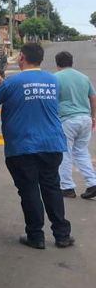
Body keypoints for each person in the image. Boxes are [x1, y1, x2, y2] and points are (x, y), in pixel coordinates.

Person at [0, 42, 73, 249]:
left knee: (29, 191)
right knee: (52, 188)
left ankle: (36, 236)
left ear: (22, 58)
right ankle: (62, 235)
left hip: (23, 147)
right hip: (52, 144)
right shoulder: (53, 81)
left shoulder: (13, 82)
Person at [53, 50, 96, 199]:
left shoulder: (55, 78)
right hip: (85, 119)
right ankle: (92, 183)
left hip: (67, 120)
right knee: (81, 152)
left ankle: (67, 187)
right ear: (72, 62)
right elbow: (93, 97)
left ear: (57, 64)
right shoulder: (83, 77)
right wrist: (93, 117)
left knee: (65, 153)